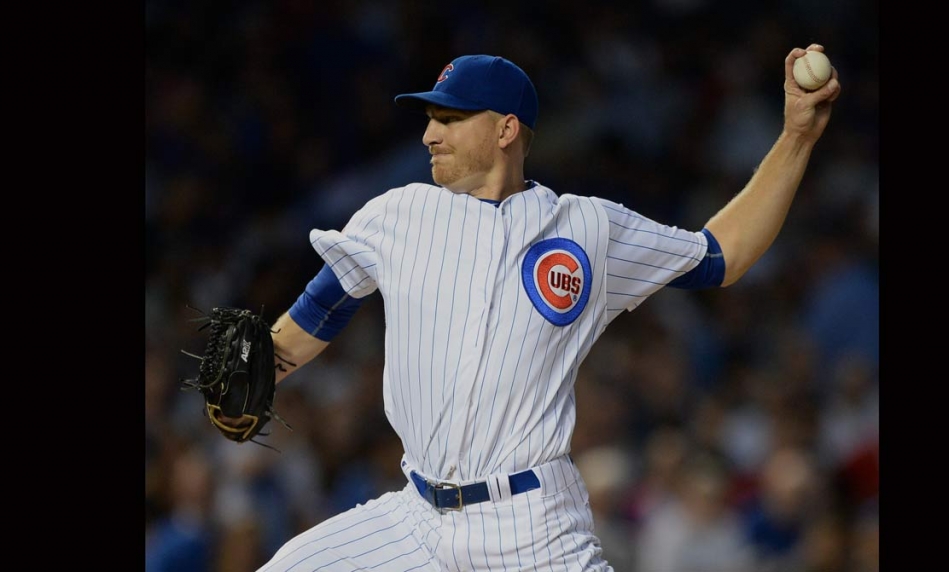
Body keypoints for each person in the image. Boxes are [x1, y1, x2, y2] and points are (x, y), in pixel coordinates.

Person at [225, 47, 841, 571]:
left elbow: (721, 255)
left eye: (449, 118)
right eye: (430, 119)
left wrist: (796, 136)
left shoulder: (587, 228)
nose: (428, 134)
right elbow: (321, 308)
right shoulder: (398, 214)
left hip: (531, 528)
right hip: (414, 518)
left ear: (505, 129)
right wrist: (262, 371)